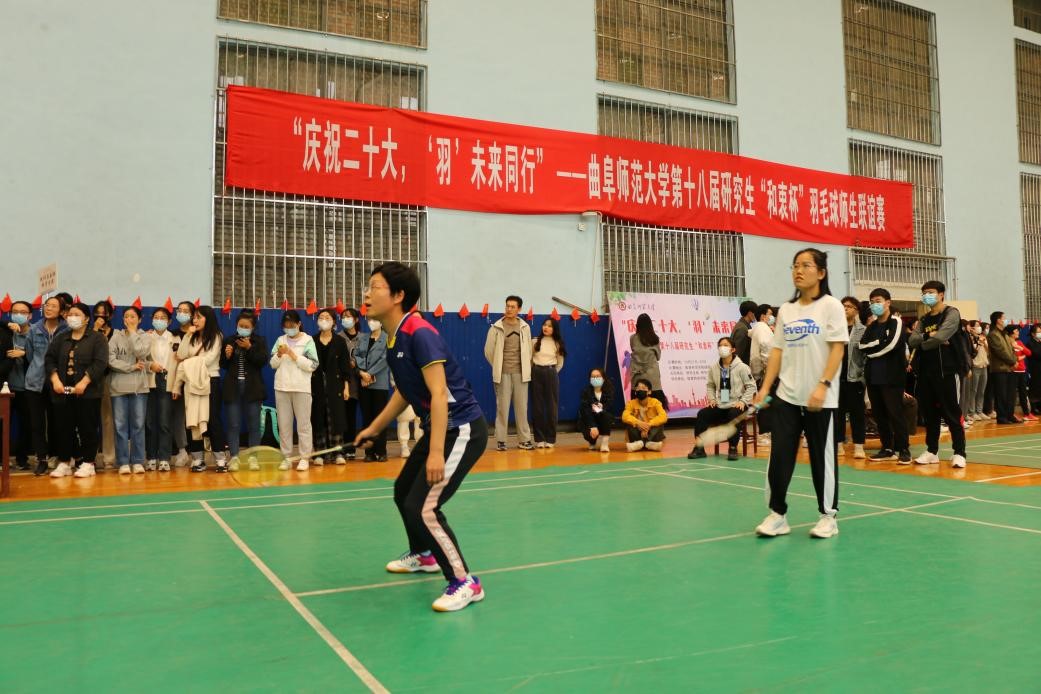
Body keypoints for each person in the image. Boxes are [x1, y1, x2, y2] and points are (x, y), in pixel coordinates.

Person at [356, 262, 489, 613]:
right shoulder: (394, 336)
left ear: (398, 295)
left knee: (425, 507)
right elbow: (405, 391)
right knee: (403, 492)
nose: (366, 294)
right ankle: (424, 553)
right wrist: (374, 428)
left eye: (375, 287)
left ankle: (465, 581)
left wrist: (434, 453)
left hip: (461, 429)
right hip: (440, 427)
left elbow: (440, 394)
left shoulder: (420, 332)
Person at [754, 248, 847, 540]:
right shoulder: (786, 310)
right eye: (795, 265)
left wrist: (823, 385)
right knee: (780, 456)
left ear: (821, 272)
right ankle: (777, 515)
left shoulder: (831, 306)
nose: (798, 270)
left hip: (821, 398)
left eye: (806, 265)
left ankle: (828, 517)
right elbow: (777, 352)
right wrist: (765, 388)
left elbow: (838, 349)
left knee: (822, 458)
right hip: (787, 396)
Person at [44, 302, 108, 478]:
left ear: (86, 318)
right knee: (63, 428)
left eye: (77, 314)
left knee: (88, 428)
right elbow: (49, 359)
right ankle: (64, 462)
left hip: (88, 393)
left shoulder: (97, 338)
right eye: (70, 314)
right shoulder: (61, 338)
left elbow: (100, 363)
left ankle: (88, 463)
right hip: (62, 392)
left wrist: (85, 381)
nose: (72, 317)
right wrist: (55, 379)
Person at [907, 281, 967, 469]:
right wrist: (929, 337)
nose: (927, 296)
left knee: (952, 413)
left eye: (931, 292)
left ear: (941, 294)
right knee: (930, 414)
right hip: (926, 373)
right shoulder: (924, 319)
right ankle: (932, 451)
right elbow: (912, 340)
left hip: (947, 371)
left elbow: (942, 336)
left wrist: (927, 342)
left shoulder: (951, 313)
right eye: (924, 293)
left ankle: (959, 453)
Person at [174, 305, 228, 472]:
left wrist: (186, 363)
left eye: (198, 317)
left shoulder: (216, 336)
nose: (195, 321)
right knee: (192, 420)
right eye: (194, 317)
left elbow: (208, 360)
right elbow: (181, 355)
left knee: (212, 420)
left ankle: (220, 459)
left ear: (208, 318)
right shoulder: (191, 336)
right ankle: (198, 459)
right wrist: (187, 335)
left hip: (210, 381)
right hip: (191, 383)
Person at [860, 288, 911, 463]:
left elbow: (892, 345)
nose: (875, 305)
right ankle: (887, 448)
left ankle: (903, 449)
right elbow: (862, 346)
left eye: (878, 301)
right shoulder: (872, 326)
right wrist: (878, 342)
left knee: (895, 413)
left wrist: (873, 350)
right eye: (872, 302)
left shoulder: (896, 322)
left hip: (892, 377)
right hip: (873, 377)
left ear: (888, 302)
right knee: (879, 415)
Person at [687, 337, 755, 461]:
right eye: (720, 345)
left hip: (737, 404)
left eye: (725, 345)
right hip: (721, 403)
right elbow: (710, 385)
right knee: (702, 414)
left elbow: (751, 387)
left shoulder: (742, 367)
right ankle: (699, 449)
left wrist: (743, 401)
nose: (722, 347)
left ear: (733, 349)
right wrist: (712, 399)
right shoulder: (714, 368)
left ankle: (733, 448)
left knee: (733, 414)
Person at [270, 310, 319, 470]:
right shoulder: (280, 340)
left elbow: (313, 365)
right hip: (282, 387)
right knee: (284, 425)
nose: (289, 328)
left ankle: (304, 457)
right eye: (286, 326)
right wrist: (278, 354)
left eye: (291, 325)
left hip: (301, 388)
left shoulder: (307, 340)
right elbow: (272, 364)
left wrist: (293, 355)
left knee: (304, 425)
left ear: (299, 324)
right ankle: (286, 457)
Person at [484, 295, 534, 451]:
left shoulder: (525, 327)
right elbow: (488, 351)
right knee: (502, 408)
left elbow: (529, 351)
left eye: (512, 307)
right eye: (507, 306)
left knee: (522, 408)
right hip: (503, 374)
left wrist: (525, 367)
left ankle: (524, 440)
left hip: (521, 374)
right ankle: (501, 440)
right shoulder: (496, 327)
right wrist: (498, 366)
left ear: (519, 309)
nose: (509, 309)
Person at [25, 296, 67, 475]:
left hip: (58, 382)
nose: (48, 308)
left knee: (58, 421)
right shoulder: (34, 329)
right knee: (37, 423)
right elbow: (29, 354)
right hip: (35, 382)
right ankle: (41, 458)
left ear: (61, 311)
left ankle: (57, 456)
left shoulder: (66, 330)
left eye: (53, 306)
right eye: (47, 305)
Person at [108, 306, 153, 475]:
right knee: (120, 426)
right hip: (118, 388)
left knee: (138, 425)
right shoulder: (115, 336)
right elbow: (110, 360)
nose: (129, 319)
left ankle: (138, 461)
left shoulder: (145, 337)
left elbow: (141, 352)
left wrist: (133, 333)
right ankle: (123, 462)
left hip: (139, 388)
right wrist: (131, 366)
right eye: (126, 316)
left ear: (139, 319)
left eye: (133, 317)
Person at [221, 310, 268, 471]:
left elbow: (262, 361)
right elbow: (222, 364)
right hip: (232, 386)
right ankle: (234, 457)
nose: (243, 328)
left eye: (247, 326)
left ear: (253, 328)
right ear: (236, 325)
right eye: (241, 325)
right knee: (233, 424)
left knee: (254, 424)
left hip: (253, 387)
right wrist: (227, 356)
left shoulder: (259, 341)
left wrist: (249, 348)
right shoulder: (229, 340)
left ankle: (253, 458)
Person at [311, 308, 351, 465]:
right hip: (316, 385)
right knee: (318, 418)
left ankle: (338, 452)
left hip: (335, 385)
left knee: (336, 418)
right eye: (321, 317)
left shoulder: (340, 341)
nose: (324, 320)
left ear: (334, 321)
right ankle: (319, 453)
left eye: (327, 317)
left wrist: (346, 388)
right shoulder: (312, 340)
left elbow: (345, 367)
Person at [354, 314, 390, 461]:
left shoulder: (387, 338)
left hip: (379, 384)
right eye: (369, 320)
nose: (371, 322)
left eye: (375, 320)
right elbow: (357, 355)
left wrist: (370, 374)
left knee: (380, 417)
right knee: (367, 417)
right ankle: (369, 452)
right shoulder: (362, 338)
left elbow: (385, 359)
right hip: (364, 383)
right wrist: (363, 373)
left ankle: (381, 451)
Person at [836, 296, 867, 459]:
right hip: (836, 378)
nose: (845, 308)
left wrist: (863, 378)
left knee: (857, 414)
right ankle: (838, 444)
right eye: (843, 306)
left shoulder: (863, 331)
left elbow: (866, 356)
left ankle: (859, 446)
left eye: (849, 306)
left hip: (855, 378)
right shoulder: (835, 328)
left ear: (856, 310)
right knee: (838, 414)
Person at [5, 301, 33, 470]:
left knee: (27, 425)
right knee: (3, 425)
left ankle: (22, 458)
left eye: (23, 312)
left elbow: (44, 355)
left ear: (30, 315)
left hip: (28, 387)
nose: (19, 315)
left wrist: (25, 353)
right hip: (6, 387)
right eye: (15, 312)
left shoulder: (35, 333)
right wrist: (5, 327)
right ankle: (3, 458)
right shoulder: (6, 332)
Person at [145, 307, 175, 471]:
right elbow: (140, 358)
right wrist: (151, 366)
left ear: (169, 321)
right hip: (150, 379)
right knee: (150, 421)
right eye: (156, 317)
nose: (159, 320)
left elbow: (178, 361)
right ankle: (151, 457)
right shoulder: (146, 337)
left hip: (167, 379)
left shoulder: (175, 338)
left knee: (164, 421)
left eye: (163, 318)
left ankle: (164, 458)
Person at [530, 317, 566, 448]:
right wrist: (534, 370)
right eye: (545, 325)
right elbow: (529, 359)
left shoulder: (557, 343)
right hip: (536, 372)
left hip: (551, 373)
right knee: (537, 407)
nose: (546, 327)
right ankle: (539, 438)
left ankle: (550, 439)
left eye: (550, 326)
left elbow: (560, 363)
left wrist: (552, 372)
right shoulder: (534, 341)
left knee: (552, 407)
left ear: (554, 329)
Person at [168, 301, 196, 467]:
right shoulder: (172, 334)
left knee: (196, 417)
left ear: (193, 315)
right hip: (176, 380)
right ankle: (182, 450)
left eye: (186, 311)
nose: (182, 313)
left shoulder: (198, 334)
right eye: (180, 310)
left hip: (194, 380)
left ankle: (198, 453)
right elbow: (175, 356)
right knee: (178, 417)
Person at [92, 300, 116, 469]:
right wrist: (95, 329)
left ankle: (109, 457)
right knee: (90, 420)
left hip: (109, 378)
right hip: (91, 379)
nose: (101, 316)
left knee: (108, 419)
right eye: (97, 313)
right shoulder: (89, 332)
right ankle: (90, 456)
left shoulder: (116, 334)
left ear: (110, 315)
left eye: (104, 313)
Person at [336, 307, 363, 459]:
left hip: (359, 382)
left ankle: (351, 449)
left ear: (356, 319)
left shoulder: (363, 338)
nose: (346, 319)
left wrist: (356, 363)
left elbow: (366, 357)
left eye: (349, 316)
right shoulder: (337, 337)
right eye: (343, 316)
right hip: (341, 382)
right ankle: (341, 448)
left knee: (352, 417)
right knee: (342, 416)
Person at [987, 311, 1019, 424]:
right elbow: (1000, 351)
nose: (1005, 320)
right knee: (1001, 394)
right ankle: (1001, 417)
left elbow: (1011, 349)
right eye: (1003, 318)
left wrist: (1015, 360)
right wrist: (1012, 361)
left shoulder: (1005, 333)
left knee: (1011, 394)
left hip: (1009, 368)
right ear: (998, 320)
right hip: (999, 369)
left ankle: (1010, 415)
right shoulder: (993, 334)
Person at [629, 313, 668, 408]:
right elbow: (658, 357)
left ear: (637, 325)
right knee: (656, 401)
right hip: (652, 375)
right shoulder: (655, 339)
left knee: (637, 400)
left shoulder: (633, 338)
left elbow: (634, 350)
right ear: (650, 325)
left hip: (637, 375)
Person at [621, 378, 667, 452]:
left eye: (643, 388)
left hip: (651, 432)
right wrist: (638, 423)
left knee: (659, 423)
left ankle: (642, 444)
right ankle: (648, 444)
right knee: (629, 423)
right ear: (635, 392)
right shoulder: (631, 403)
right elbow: (624, 416)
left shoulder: (655, 402)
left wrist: (649, 425)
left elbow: (664, 416)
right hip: (638, 432)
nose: (640, 390)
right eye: (638, 388)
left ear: (649, 392)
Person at [578, 367, 615, 452]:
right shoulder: (585, 391)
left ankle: (605, 443)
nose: (595, 378)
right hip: (589, 418)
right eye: (593, 376)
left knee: (607, 416)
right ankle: (592, 442)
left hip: (603, 418)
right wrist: (592, 426)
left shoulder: (609, 391)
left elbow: (610, 407)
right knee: (589, 434)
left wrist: (603, 407)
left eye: (598, 376)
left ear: (603, 378)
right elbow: (585, 410)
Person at [963, 320, 989, 424]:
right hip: (975, 366)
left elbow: (988, 351)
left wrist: (984, 342)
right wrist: (977, 341)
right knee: (973, 390)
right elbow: (973, 352)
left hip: (984, 365)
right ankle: (972, 412)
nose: (979, 328)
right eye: (976, 326)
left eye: (979, 325)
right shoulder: (970, 338)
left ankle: (979, 410)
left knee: (981, 390)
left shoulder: (983, 337)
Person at [1008, 324, 1035, 421]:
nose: (1018, 332)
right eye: (1016, 331)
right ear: (1011, 333)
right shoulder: (1008, 343)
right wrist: (1020, 357)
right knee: (1012, 394)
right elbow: (1012, 357)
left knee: (1023, 393)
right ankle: (1010, 414)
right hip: (1013, 371)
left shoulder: (1019, 342)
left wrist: (1020, 349)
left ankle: (1027, 413)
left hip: (1022, 371)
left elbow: (1029, 352)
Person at [748, 303, 775, 385]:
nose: (772, 317)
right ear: (763, 316)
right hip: (764, 374)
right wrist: (770, 369)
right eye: (770, 314)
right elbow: (766, 349)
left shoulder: (760, 327)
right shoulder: (762, 328)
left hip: (760, 374)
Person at [729, 300, 759, 366]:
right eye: (756, 313)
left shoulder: (744, 326)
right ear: (750, 313)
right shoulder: (742, 329)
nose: (757, 315)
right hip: (741, 368)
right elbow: (737, 354)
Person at [1027, 323, 1041, 416]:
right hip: (1035, 369)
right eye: (1039, 332)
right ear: (1033, 334)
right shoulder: (1030, 343)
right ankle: (1034, 407)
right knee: (1035, 387)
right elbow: (1037, 354)